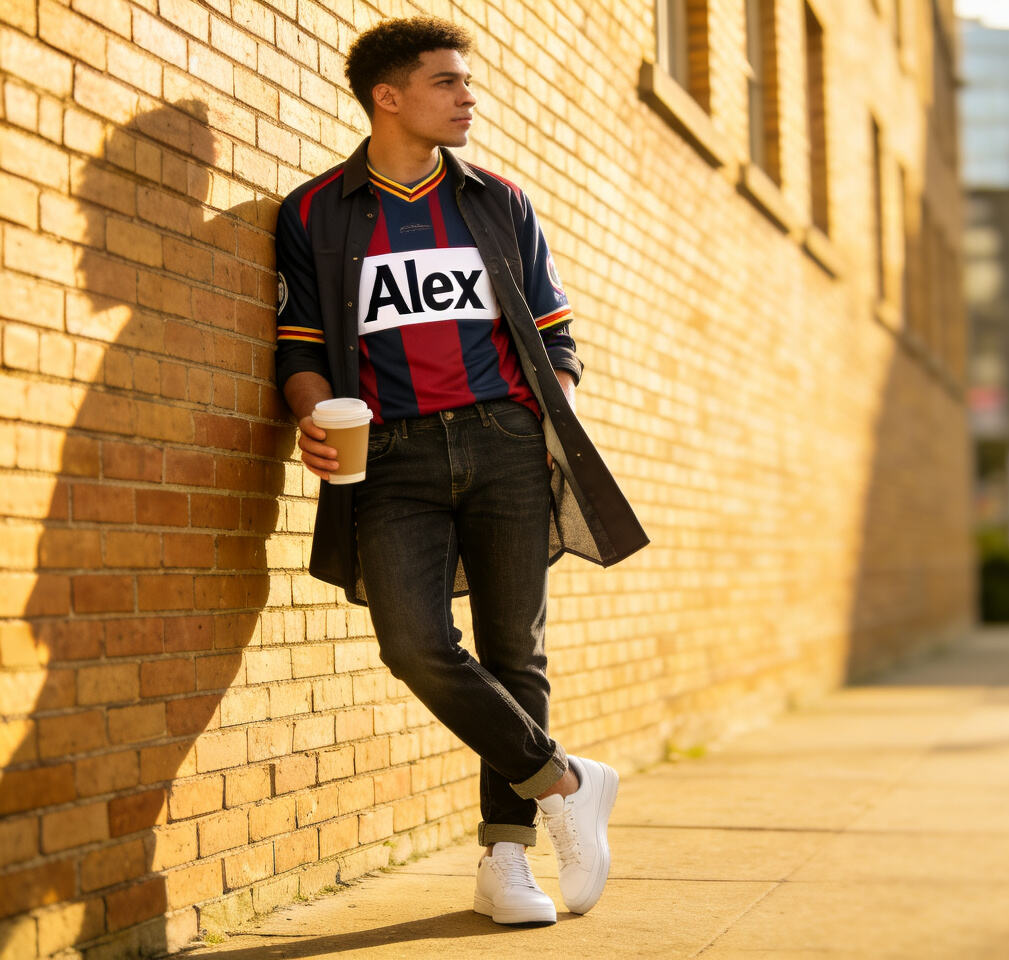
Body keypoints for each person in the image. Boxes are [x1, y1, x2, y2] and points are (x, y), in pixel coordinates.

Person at [273, 16, 648, 926]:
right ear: (387, 98)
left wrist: (545, 411)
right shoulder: (315, 210)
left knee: (515, 650)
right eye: (447, 82)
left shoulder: (496, 200)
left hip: (505, 445)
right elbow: (297, 346)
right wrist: (313, 417)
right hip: (390, 456)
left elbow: (556, 332)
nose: (467, 96)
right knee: (412, 643)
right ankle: (564, 779)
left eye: (466, 82)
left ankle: (504, 861)